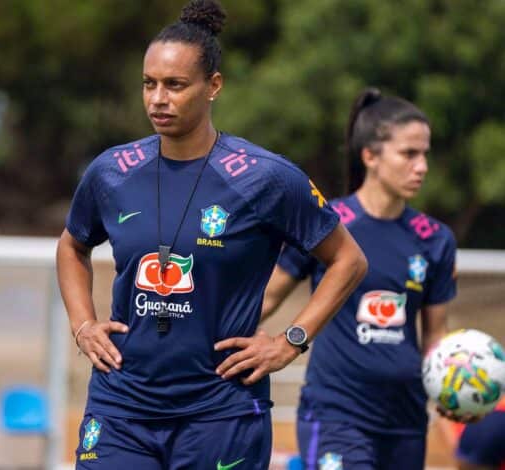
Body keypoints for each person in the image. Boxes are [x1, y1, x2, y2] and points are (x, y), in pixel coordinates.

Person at [55, 1, 367, 468]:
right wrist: (83, 324)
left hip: (222, 412)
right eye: (150, 84)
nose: (158, 99)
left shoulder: (267, 178)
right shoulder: (111, 171)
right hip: (121, 407)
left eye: (175, 85)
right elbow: (72, 244)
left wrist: (292, 340)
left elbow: (349, 260)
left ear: (213, 86)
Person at [261, 87, 459, 469]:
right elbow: (268, 298)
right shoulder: (328, 223)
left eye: (425, 154)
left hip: (405, 420)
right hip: (337, 412)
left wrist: (452, 390)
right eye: (409, 154)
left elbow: (435, 335)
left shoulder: (434, 239)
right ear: (369, 155)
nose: (422, 166)